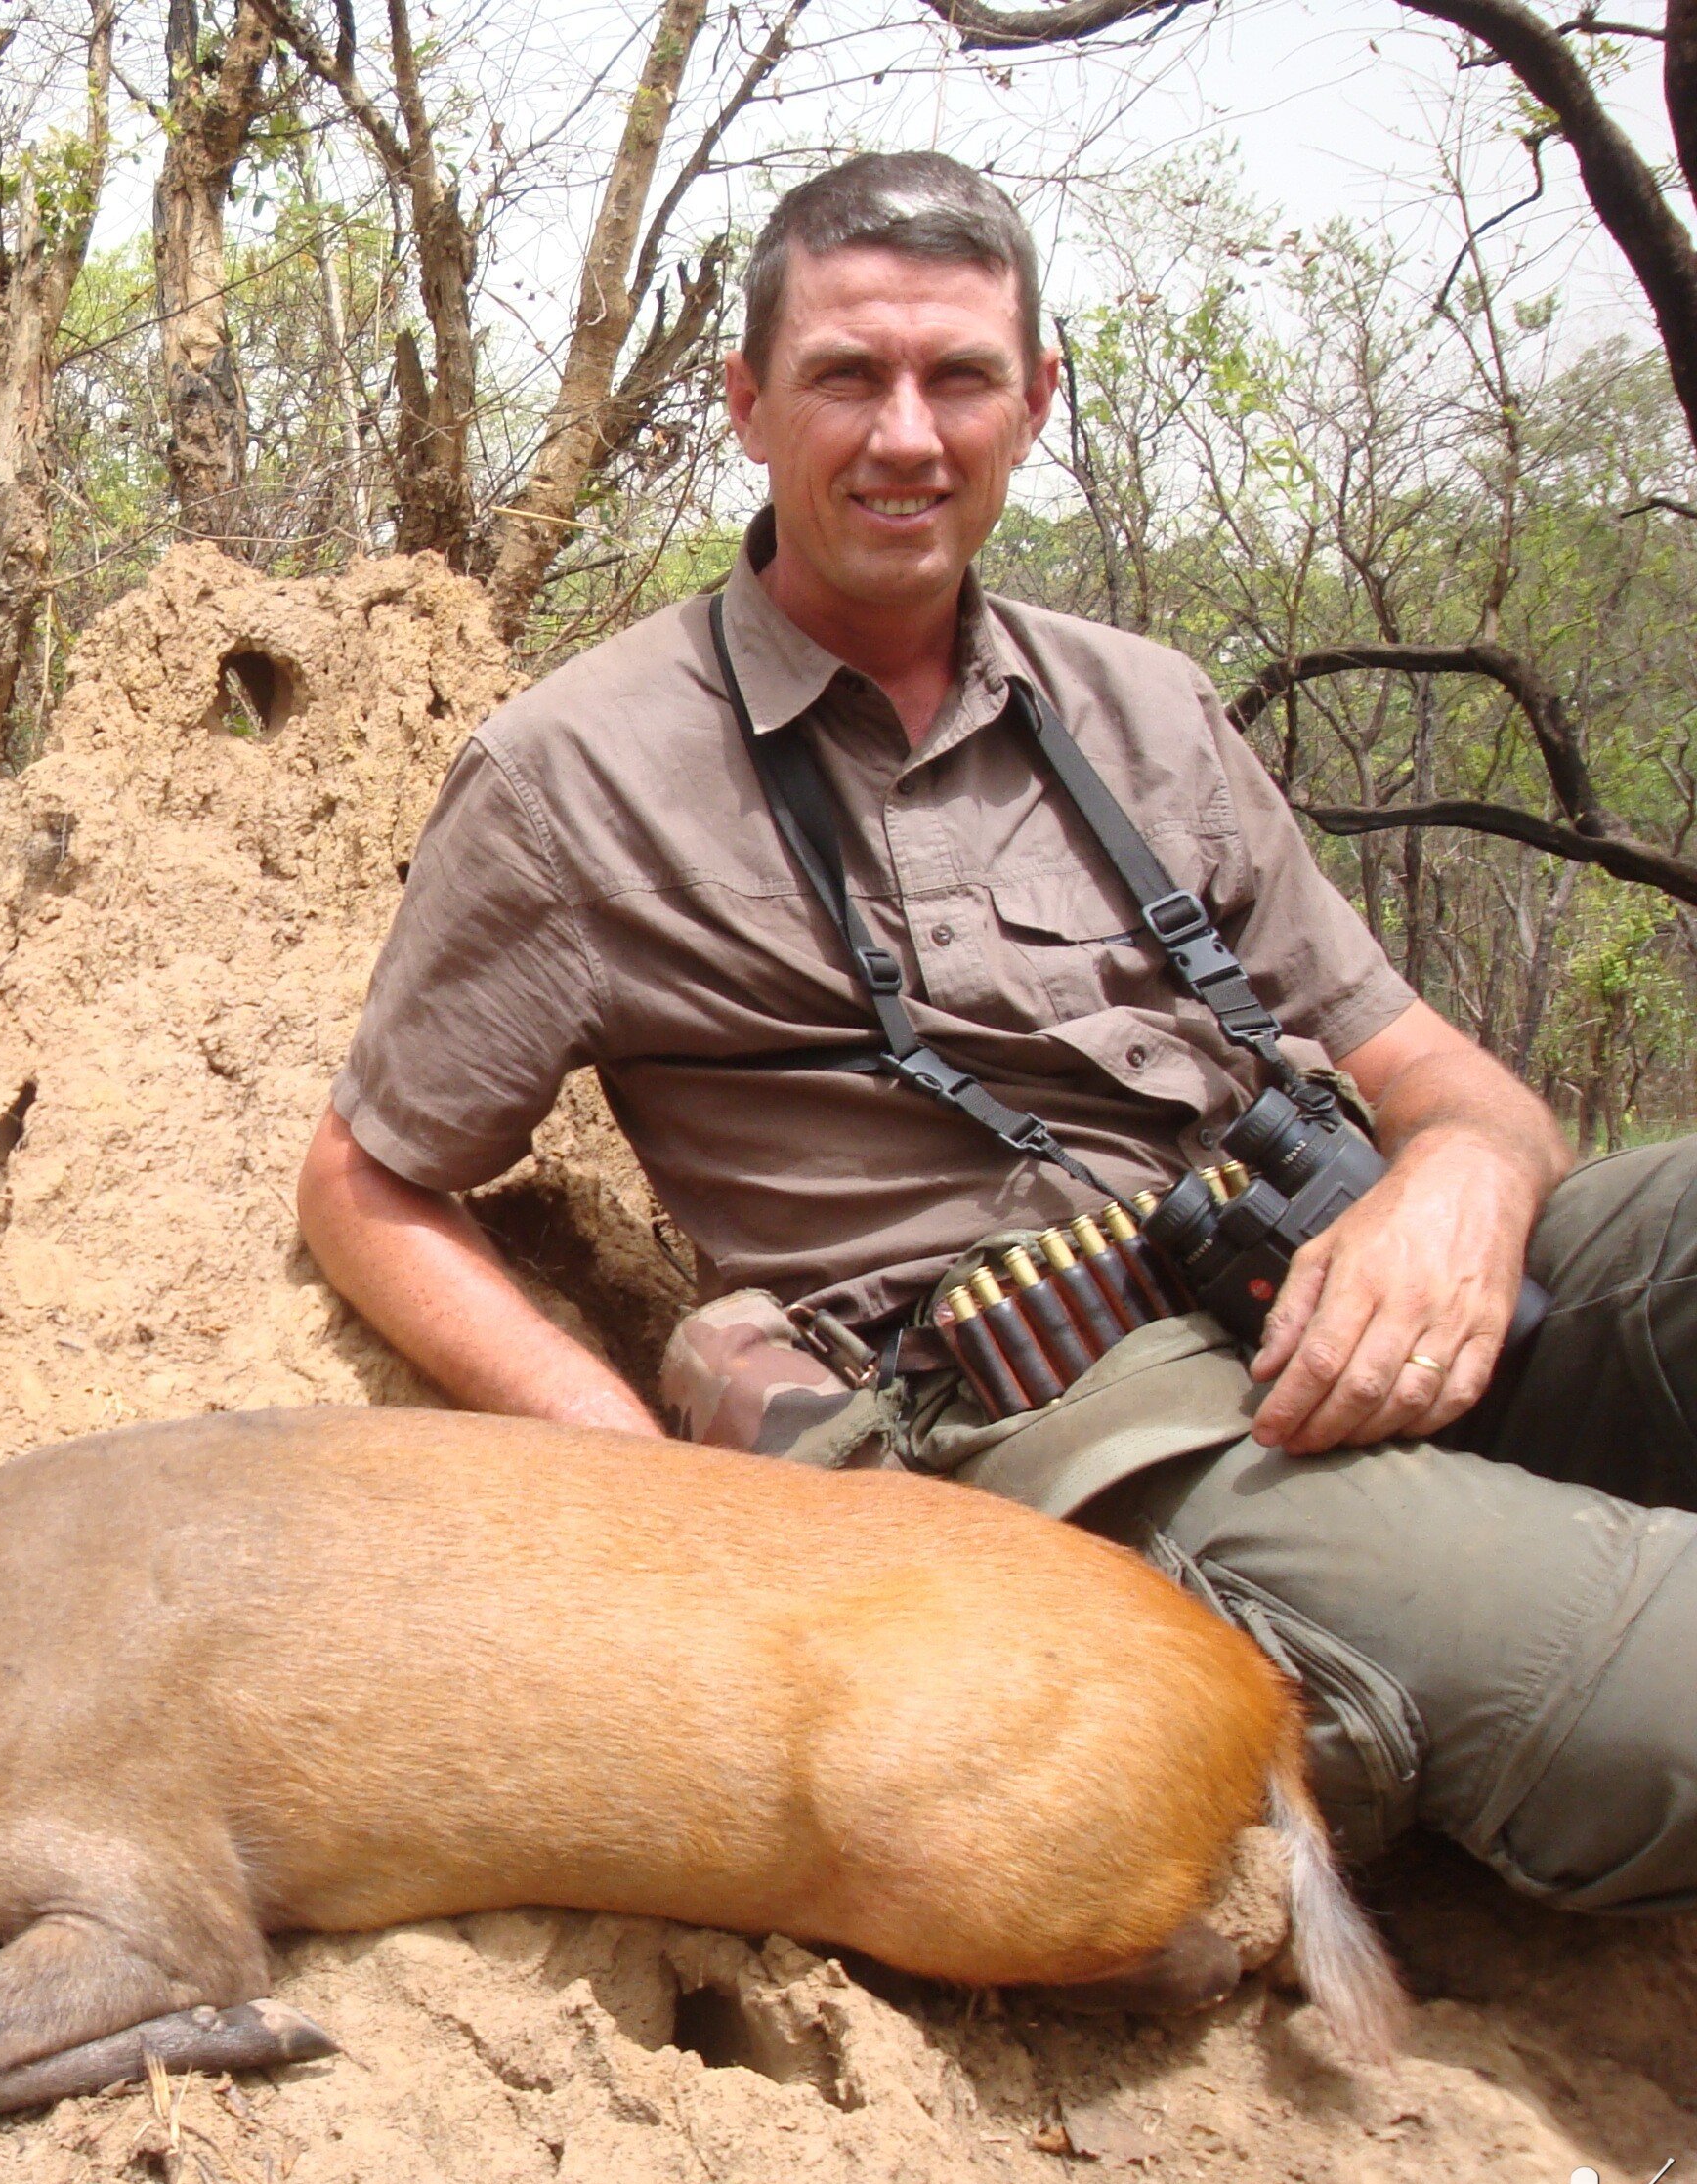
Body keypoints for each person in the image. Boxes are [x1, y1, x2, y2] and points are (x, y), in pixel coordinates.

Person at [300, 151, 1697, 1916]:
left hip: (1324, 1270)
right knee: (1665, 1701)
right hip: (1076, 1412)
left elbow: (1433, 1075)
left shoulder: (1148, 703)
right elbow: (365, 1182)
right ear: (746, 405)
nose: (906, 434)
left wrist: (1469, 1187)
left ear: (1035, 400)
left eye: (959, 377)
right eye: (845, 378)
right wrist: (621, 1470)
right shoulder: (575, 775)